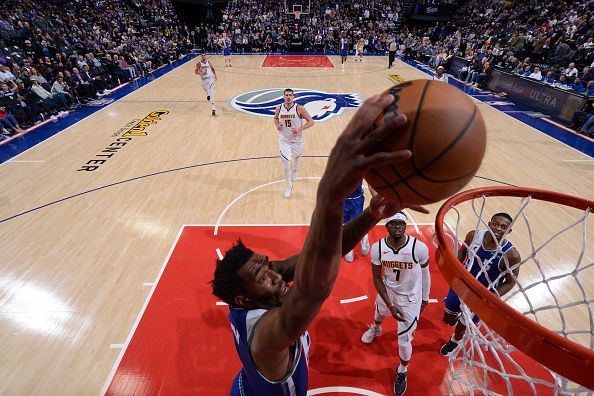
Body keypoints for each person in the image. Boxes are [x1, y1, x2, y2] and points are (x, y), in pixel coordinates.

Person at [212, 92, 428, 396]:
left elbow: (315, 256)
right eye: (263, 276)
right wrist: (329, 194)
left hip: (247, 384)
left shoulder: (251, 292)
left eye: (267, 265)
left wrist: (373, 214)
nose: (274, 274)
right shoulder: (268, 335)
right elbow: (316, 286)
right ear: (245, 301)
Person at [360, 212, 431, 396]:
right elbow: (376, 277)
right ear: (387, 227)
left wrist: (425, 298)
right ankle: (376, 328)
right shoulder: (378, 247)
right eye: (393, 223)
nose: (397, 226)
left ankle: (402, 371)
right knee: (378, 314)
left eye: (401, 223)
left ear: (405, 226)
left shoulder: (419, 248)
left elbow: (426, 274)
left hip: (410, 299)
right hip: (388, 292)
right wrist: (390, 305)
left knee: (404, 340)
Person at [440, 213, 521, 356]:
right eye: (495, 224)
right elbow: (463, 251)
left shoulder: (511, 255)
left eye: (503, 227)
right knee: (447, 319)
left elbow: (510, 281)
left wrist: (491, 296)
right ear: (489, 223)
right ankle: (457, 317)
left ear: (509, 231)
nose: (498, 228)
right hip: (461, 286)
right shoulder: (473, 235)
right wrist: (454, 269)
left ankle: (454, 341)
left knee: (461, 327)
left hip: (480, 297)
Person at [273, 88, 314, 198]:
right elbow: (275, 118)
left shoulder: (299, 108)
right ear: (283, 96)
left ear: (293, 96)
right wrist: (277, 125)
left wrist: (299, 129)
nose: (288, 97)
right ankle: (289, 185)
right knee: (286, 162)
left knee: (296, 158)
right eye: (286, 95)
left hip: (296, 140)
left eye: (290, 95)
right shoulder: (279, 108)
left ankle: (295, 170)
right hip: (284, 140)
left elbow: (311, 122)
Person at [343, 181, 374, 262]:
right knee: (344, 225)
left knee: (357, 225)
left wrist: (376, 197)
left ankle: (364, 238)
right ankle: (349, 247)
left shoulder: (359, 168)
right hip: (341, 200)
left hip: (356, 200)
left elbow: (370, 183)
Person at [195, 51, 218, 116]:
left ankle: (213, 109)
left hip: (209, 79)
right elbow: (195, 72)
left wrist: (215, 75)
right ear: (200, 56)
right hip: (203, 80)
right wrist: (201, 73)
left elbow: (212, 68)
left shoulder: (208, 62)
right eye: (202, 55)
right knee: (206, 89)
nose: (203, 56)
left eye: (204, 55)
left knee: (212, 93)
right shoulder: (199, 63)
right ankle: (207, 94)